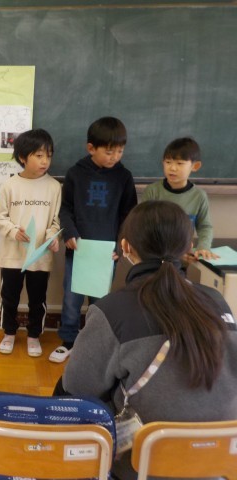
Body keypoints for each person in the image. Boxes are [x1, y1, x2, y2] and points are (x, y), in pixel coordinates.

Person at [60, 200, 237, 480]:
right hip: (216, 463)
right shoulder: (217, 301)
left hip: (141, 467)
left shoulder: (112, 310)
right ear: (188, 248)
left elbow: (76, 388)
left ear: (126, 248)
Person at [53, 116, 137, 363]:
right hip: (79, 249)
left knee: (100, 300)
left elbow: (129, 214)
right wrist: (69, 232)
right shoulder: (76, 174)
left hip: (107, 252)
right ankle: (68, 340)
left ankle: (96, 341)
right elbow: (65, 208)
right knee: (72, 298)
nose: (115, 157)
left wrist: (121, 245)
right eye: (109, 152)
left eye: (119, 151)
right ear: (91, 148)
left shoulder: (124, 177)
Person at [0, 129, 61, 357]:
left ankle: (34, 335)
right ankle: (9, 333)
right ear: (23, 157)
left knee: (37, 299)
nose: (45, 161)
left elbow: (56, 221)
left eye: (48, 156)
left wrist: (52, 236)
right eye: (39, 156)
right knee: (9, 298)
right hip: (12, 255)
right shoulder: (10, 185)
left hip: (40, 256)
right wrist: (13, 231)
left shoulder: (54, 187)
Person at [142, 137, 215, 260]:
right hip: (155, 256)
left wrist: (203, 246)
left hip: (185, 257)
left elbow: (204, 226)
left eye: (180, 163)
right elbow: (143, 226)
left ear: (195, 166)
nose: (172, 168)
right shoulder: (152, 191)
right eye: (168, 162)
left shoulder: (199, 196)